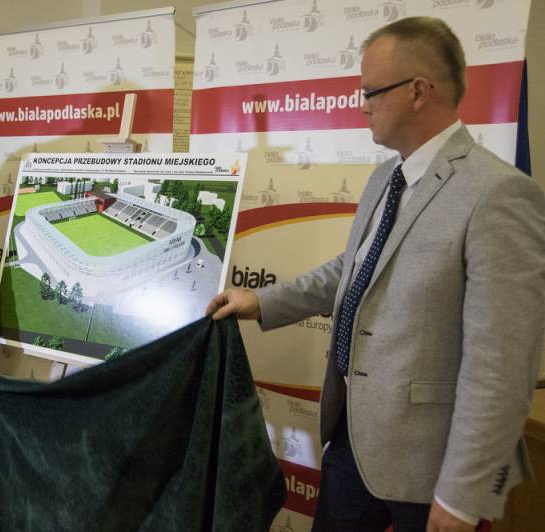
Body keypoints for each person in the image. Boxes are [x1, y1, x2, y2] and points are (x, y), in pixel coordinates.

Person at [207, 17, 545, 532]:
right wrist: (263, 302)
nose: (361, 105)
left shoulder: (498, 194)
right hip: (351, 440)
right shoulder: (386, 176)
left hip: (432, 471)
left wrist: (463, 495)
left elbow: (502, 365)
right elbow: (353, 270)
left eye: (370, 91)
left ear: (418, 92)